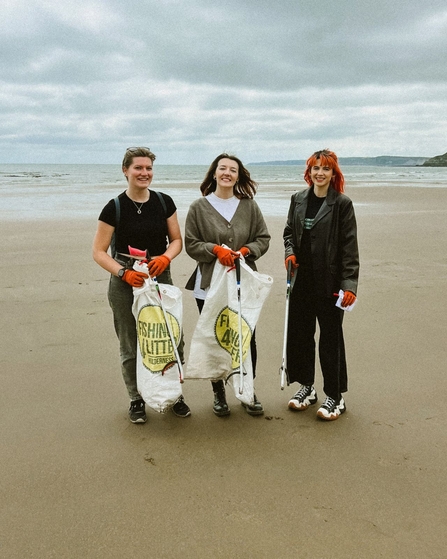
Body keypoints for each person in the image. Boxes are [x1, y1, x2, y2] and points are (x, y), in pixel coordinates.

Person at [92, 146, 190, 423]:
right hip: (125, 282)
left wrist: (165, 258)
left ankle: (174, 394)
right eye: (138, 168)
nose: (144, 173)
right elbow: (99, 251)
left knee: (170, 338)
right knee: (130, 342)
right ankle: (136, 399)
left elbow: (177, 241)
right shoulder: (114, 207)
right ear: (126, 171)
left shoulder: (163, 201)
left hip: (160, 278)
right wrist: (123, 273)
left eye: (148, 168)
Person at [185, 153, 270, 417]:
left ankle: (247, 388)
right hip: (209, 285)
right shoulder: (198, 207)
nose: (227, 173)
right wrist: (214, 249)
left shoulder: (249, 206)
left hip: (243, 283)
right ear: (214, 173)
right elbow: (191, 244)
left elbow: (263, 238)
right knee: (215, 338)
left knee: (246, 337)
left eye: (233, 170)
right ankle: (218, 393)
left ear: (238, 176)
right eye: (222, 168)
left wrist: (245, 250)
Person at [283, 149, 359, 421]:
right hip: (301, 280)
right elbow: (289, 233)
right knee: (302, 335)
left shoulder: (342, 204)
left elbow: (350, 249)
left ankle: (335, 397)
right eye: (315, 168)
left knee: (330, 339)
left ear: (333, 173)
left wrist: (349, 285)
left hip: (330, 284)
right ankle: (307, 388)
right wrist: (289, 253)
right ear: (309, 172)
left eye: (325, 169)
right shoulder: (298, 199)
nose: (320, 173)